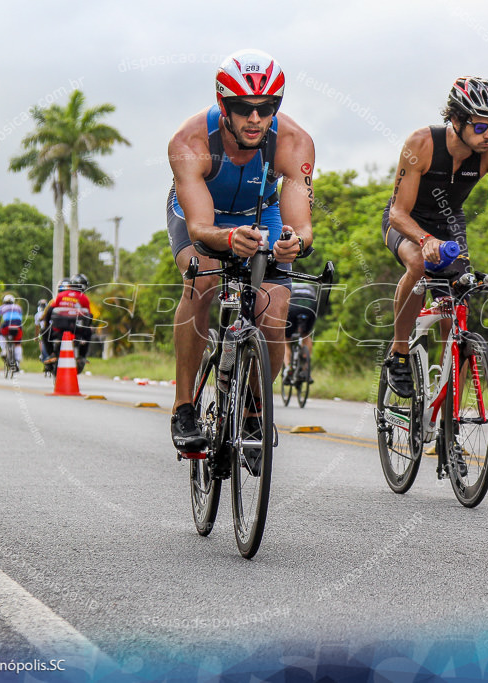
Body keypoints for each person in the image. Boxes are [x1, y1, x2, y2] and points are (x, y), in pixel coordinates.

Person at [166, 48, 314, 452]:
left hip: (258, 213)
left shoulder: (295, 142)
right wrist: (227, 239)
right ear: (222, 104)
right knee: (205, 278)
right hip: (201, 213)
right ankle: (184, 408)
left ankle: (252, 409)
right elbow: (199, 227)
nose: (255, 119)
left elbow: (301, 225)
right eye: (243, 107)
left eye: (266, 108)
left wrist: (294, 243)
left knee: (274, 308)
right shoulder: (189, 140)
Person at [382, 76, 488, 398]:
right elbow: (397, 213)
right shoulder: (421, 143)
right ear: (456, 119)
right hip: (407, 222)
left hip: (449, 225)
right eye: (480, 127)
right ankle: (398, 352)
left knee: (458, 308)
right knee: (420, 265)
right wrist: (424, 240)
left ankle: (449, 417)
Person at [41, 274, 93, 370]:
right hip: (78, 331)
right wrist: (86, 327)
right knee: (89, 332)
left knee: (44, 331)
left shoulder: (61, 295)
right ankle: (82, 356)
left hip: (58, 331)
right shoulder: (84, 298)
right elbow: (89, 316)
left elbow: (49, 311)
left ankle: (52, 354)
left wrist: (47, 325)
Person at [282, 282, 318, 383]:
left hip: (294, 305)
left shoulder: (290, 284)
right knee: (306, 335)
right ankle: (306, 367)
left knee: (286, 339)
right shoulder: (309, 286)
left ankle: (288, 367)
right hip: (310, 306)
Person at [0, 294, 25, 370]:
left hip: (7, 326)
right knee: (18, 344)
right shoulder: (18, 307)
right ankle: (17, 362)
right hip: (17, 326)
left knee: (1, 336)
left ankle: (4, 350)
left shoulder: (0, 308)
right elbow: (20, 319)